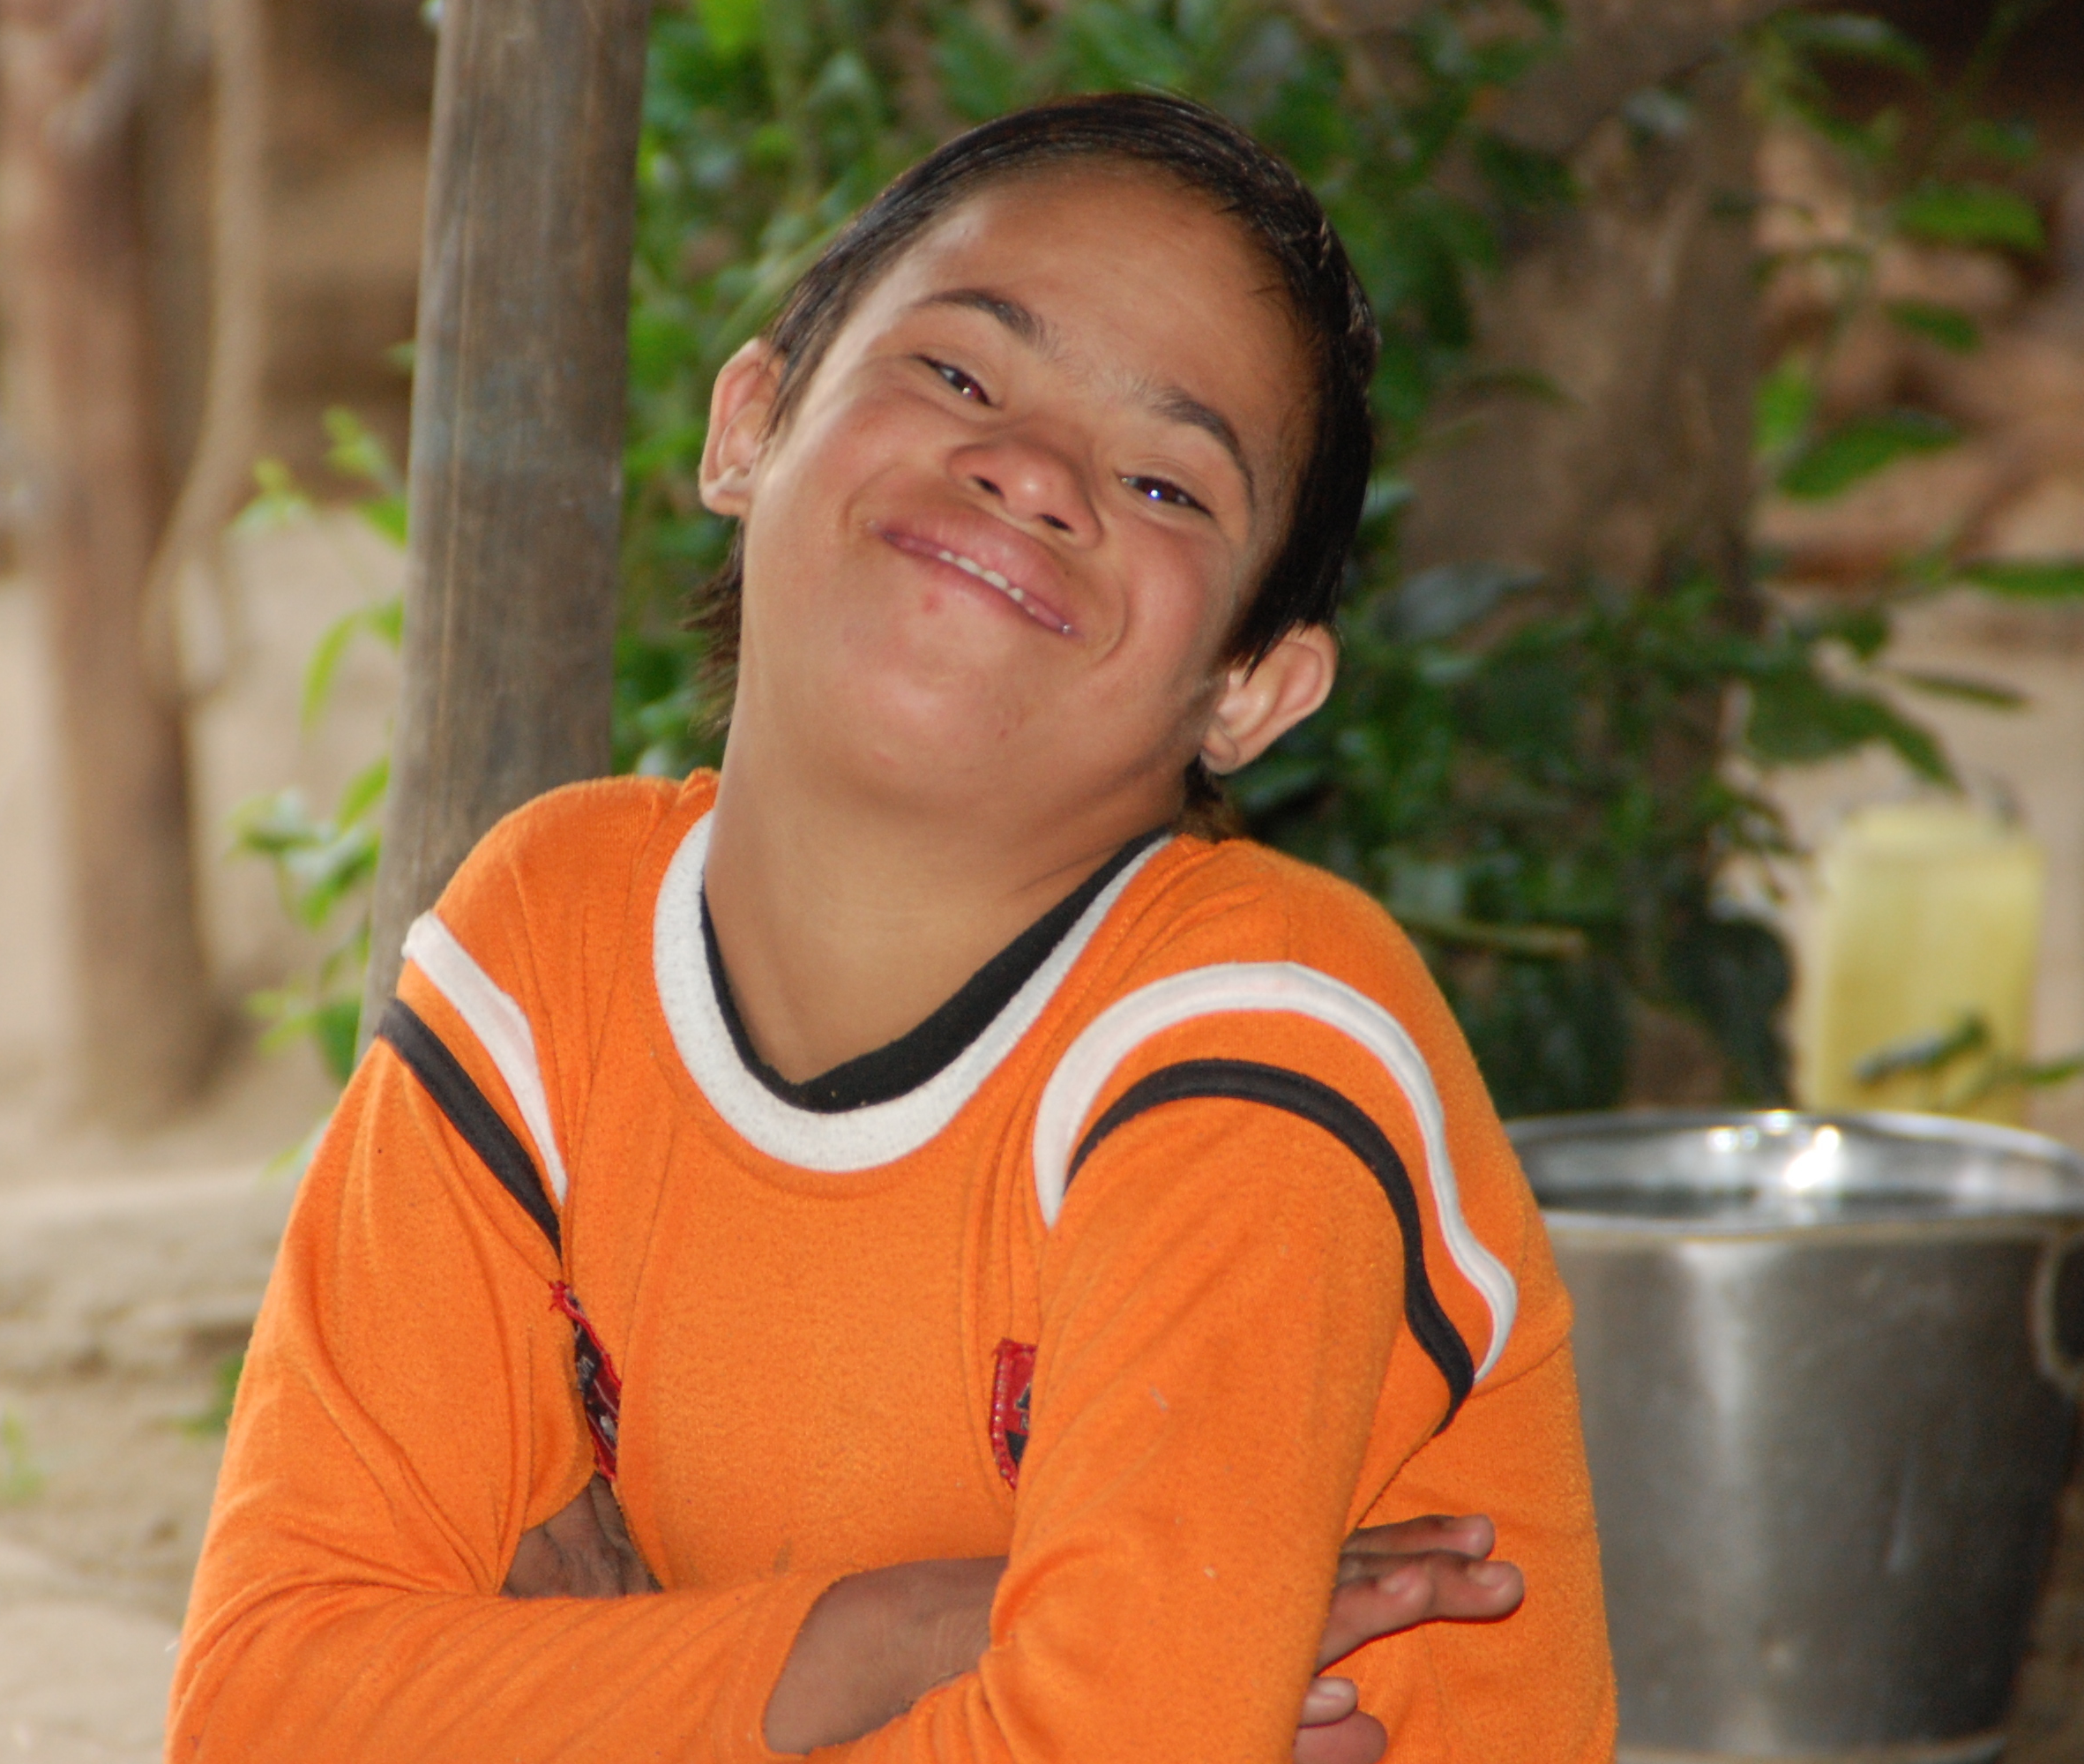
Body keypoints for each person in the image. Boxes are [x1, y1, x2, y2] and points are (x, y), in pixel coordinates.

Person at [169, 93, 1616, 1761]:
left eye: (1163, 482)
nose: (1033, 471)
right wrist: (914, 1632)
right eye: (957, 373)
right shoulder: (546, 946)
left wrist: (596, 1692)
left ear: (1251, 689)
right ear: (749, 423)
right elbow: (263, 1710)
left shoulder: (1261, 1032)